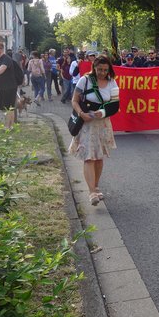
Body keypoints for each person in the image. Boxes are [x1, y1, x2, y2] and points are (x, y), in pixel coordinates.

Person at [69, 54, 119, 206]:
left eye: (105, 70)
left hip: (102, 124)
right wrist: (81, 114)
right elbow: (74, 100)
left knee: (98, 157)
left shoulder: (112, 83)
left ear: (109, 69)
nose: (102, 72)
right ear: (94, 68)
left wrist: (101, 113)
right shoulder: (84, 80)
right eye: (99, 69)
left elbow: (115, 106)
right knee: (89, 157)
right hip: (86, 124)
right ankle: (91, 192)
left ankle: (96, 186)